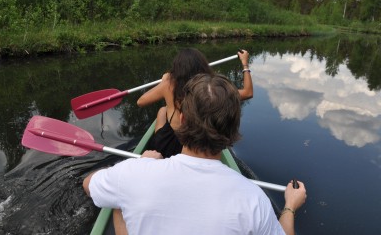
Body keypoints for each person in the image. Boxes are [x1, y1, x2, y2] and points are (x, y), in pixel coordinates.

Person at [83, 73, 307, 235]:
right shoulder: (253, 199)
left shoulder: (134, 172)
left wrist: (144, 163)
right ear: (232, 130)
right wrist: (289, 207)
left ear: (182, 121)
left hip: (138, 172)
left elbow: (89, 184)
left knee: (117, 203)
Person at [137, 47, 253, 158]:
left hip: (167, 145)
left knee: (163, 110)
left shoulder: (169, 84)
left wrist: (164, 82)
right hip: (198, 143)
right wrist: (245, 63)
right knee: (163, 110)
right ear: (203, 67)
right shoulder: (210, 90)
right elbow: (248, 93)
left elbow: (140, 102)